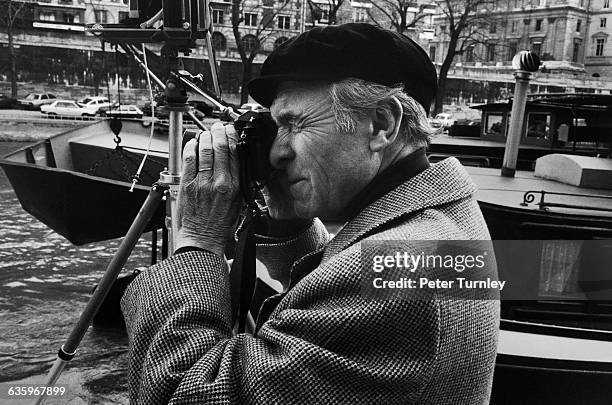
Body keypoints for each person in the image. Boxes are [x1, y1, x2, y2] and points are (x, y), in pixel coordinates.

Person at [121, 23, 500, 404]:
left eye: (294, 124)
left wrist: (197, 243)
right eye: (276, 127)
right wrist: (289, 223)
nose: (276, 153)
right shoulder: (442, 222)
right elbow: (324, 314)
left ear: (381, 124)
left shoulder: (401, 268)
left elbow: (180, 394)